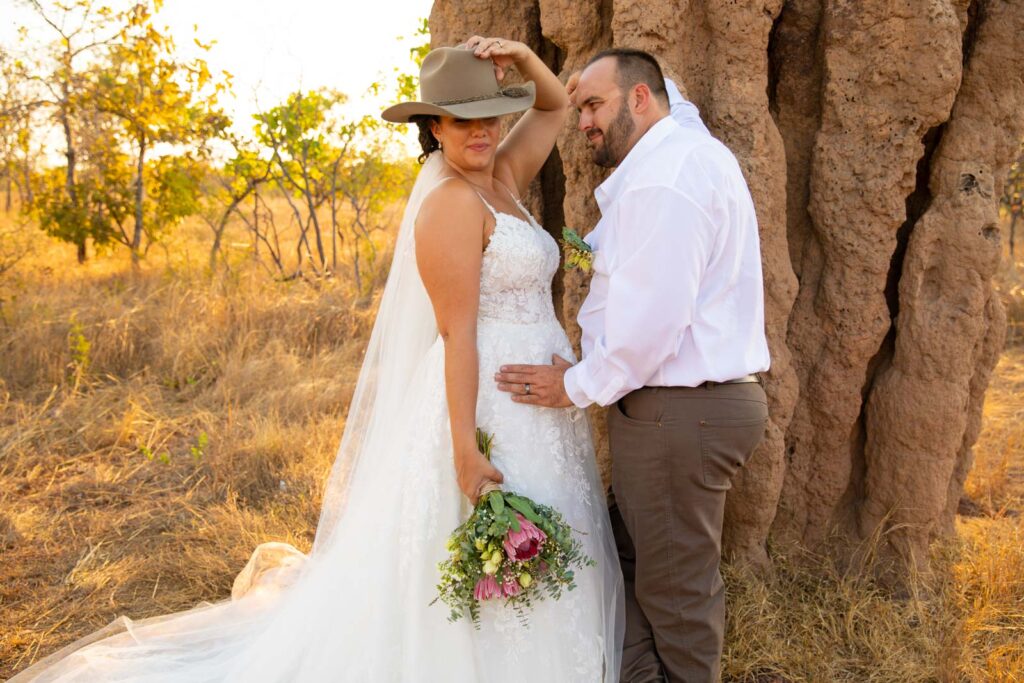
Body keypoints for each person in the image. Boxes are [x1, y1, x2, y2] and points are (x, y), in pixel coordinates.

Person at [12, 40, 623, 683]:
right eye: (462, 119)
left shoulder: (501, 177)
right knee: (490, 556)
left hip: (543, 407)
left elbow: (552, 107)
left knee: (550, 538)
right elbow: (458, 335)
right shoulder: (449, 203)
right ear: (433, 127)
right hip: (487, 404)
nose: (481, 132)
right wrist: (466, 450)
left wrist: (523, 58)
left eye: (490, 116)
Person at [494, 48, 771, 682]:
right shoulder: (683, 150)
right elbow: (671, 100)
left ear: (641, 100)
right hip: (684, 413)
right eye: (582, 107)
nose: (583, 120)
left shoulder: (664, 181)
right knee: (625, 566)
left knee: (677, 599)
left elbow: (653, 322)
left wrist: (576, 385)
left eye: (595, 106)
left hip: (681, 414)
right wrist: (580, 81)